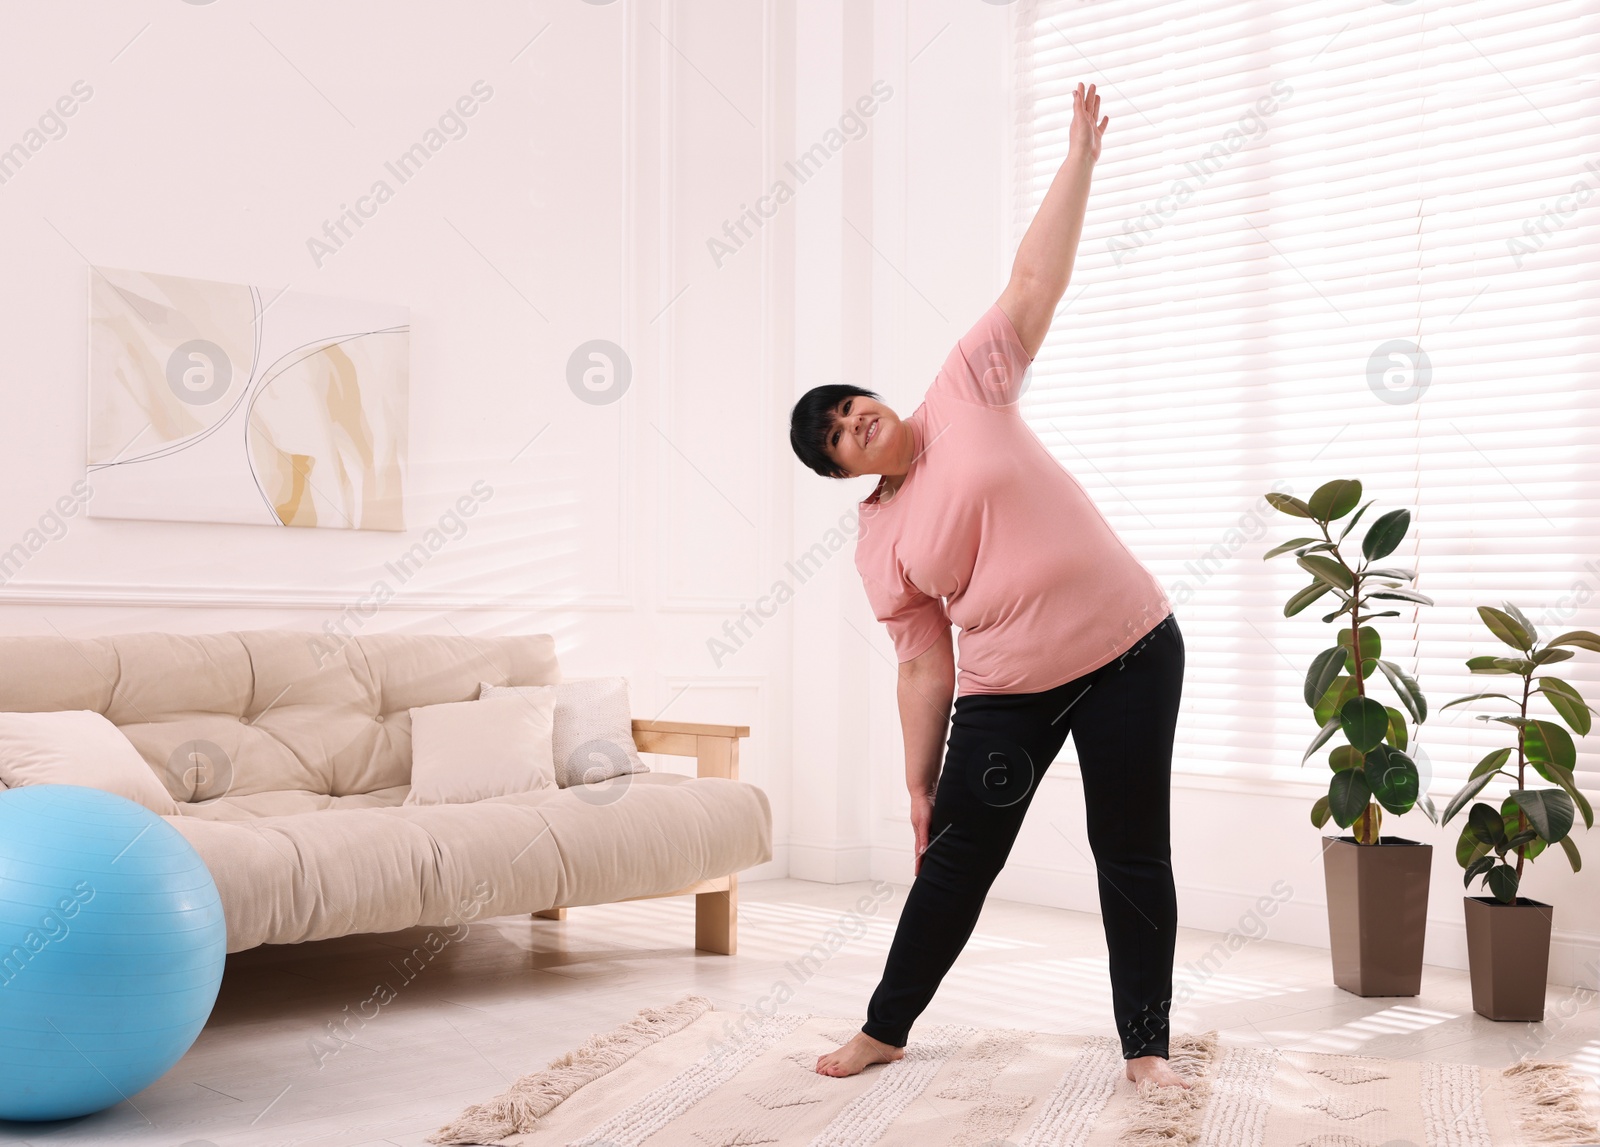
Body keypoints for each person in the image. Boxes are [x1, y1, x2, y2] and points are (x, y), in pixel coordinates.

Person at [787, 83, 1189, 1089]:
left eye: (849, 405)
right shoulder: (877, 543)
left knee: (1130, 849)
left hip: (1134, 649)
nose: (852, 422)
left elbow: (1029, 281)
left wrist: (1079, 161)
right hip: (1009, 692)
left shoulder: (963, 385)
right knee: (957, 857)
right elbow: (923, 664)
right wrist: (921, 783)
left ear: (873, 395)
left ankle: (1146, 1050)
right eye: (835, 436)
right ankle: (884, 1027)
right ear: (841, 474)